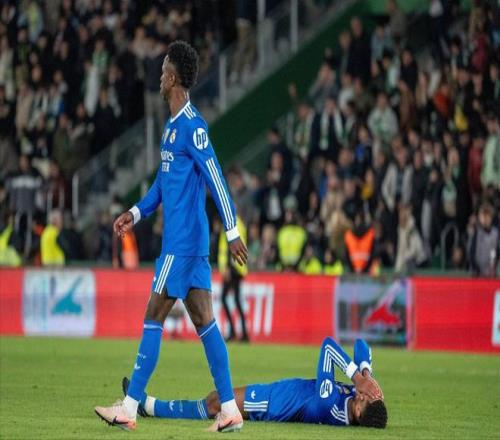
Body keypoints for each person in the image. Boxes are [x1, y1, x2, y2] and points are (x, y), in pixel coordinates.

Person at [94, 41, 248, 433]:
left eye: (163, 71)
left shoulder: (193, 127)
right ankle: (230, 409)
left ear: (174, 78)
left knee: (153, 315)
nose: (159, 77)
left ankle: (129, 407)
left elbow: (216, 176)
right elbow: (162, 186)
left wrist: (232, 231)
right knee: (205, 322)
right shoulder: (171, 129)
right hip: (188, 246)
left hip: (181, 245)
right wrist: (134, 213)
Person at [121, 337, 386, 429]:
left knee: (215, 402)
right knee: (216, 400)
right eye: (367, 396)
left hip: (272, 403)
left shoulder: (329, 405)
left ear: (357, 414)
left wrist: (357, 378)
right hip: (280, 392)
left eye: (363, 401)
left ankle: (149, 406)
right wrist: (367, 373)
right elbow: (361, 344)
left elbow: (328, 347)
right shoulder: (358, 400)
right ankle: (148, 405)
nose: (362, 395)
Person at [219, 214, 249, 342]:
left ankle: (233, 332)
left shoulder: (231, 223)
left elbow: (230, 246)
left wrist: (227, 267)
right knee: (236, 300)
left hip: (233, 267)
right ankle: (244, 333)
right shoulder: (240, 223)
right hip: (238, 267)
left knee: (224, 298)